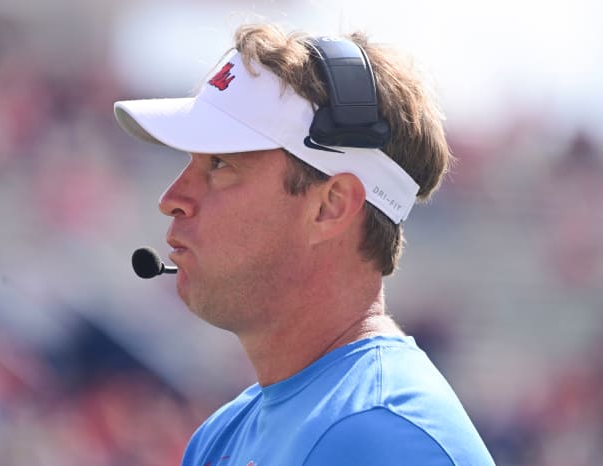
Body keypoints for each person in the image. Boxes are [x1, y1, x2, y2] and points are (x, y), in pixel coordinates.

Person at [114, 23, 495, 466]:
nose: (171, 200)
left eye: (219, 164)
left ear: (331, 206)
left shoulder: (381, 436)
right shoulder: (219, 437)